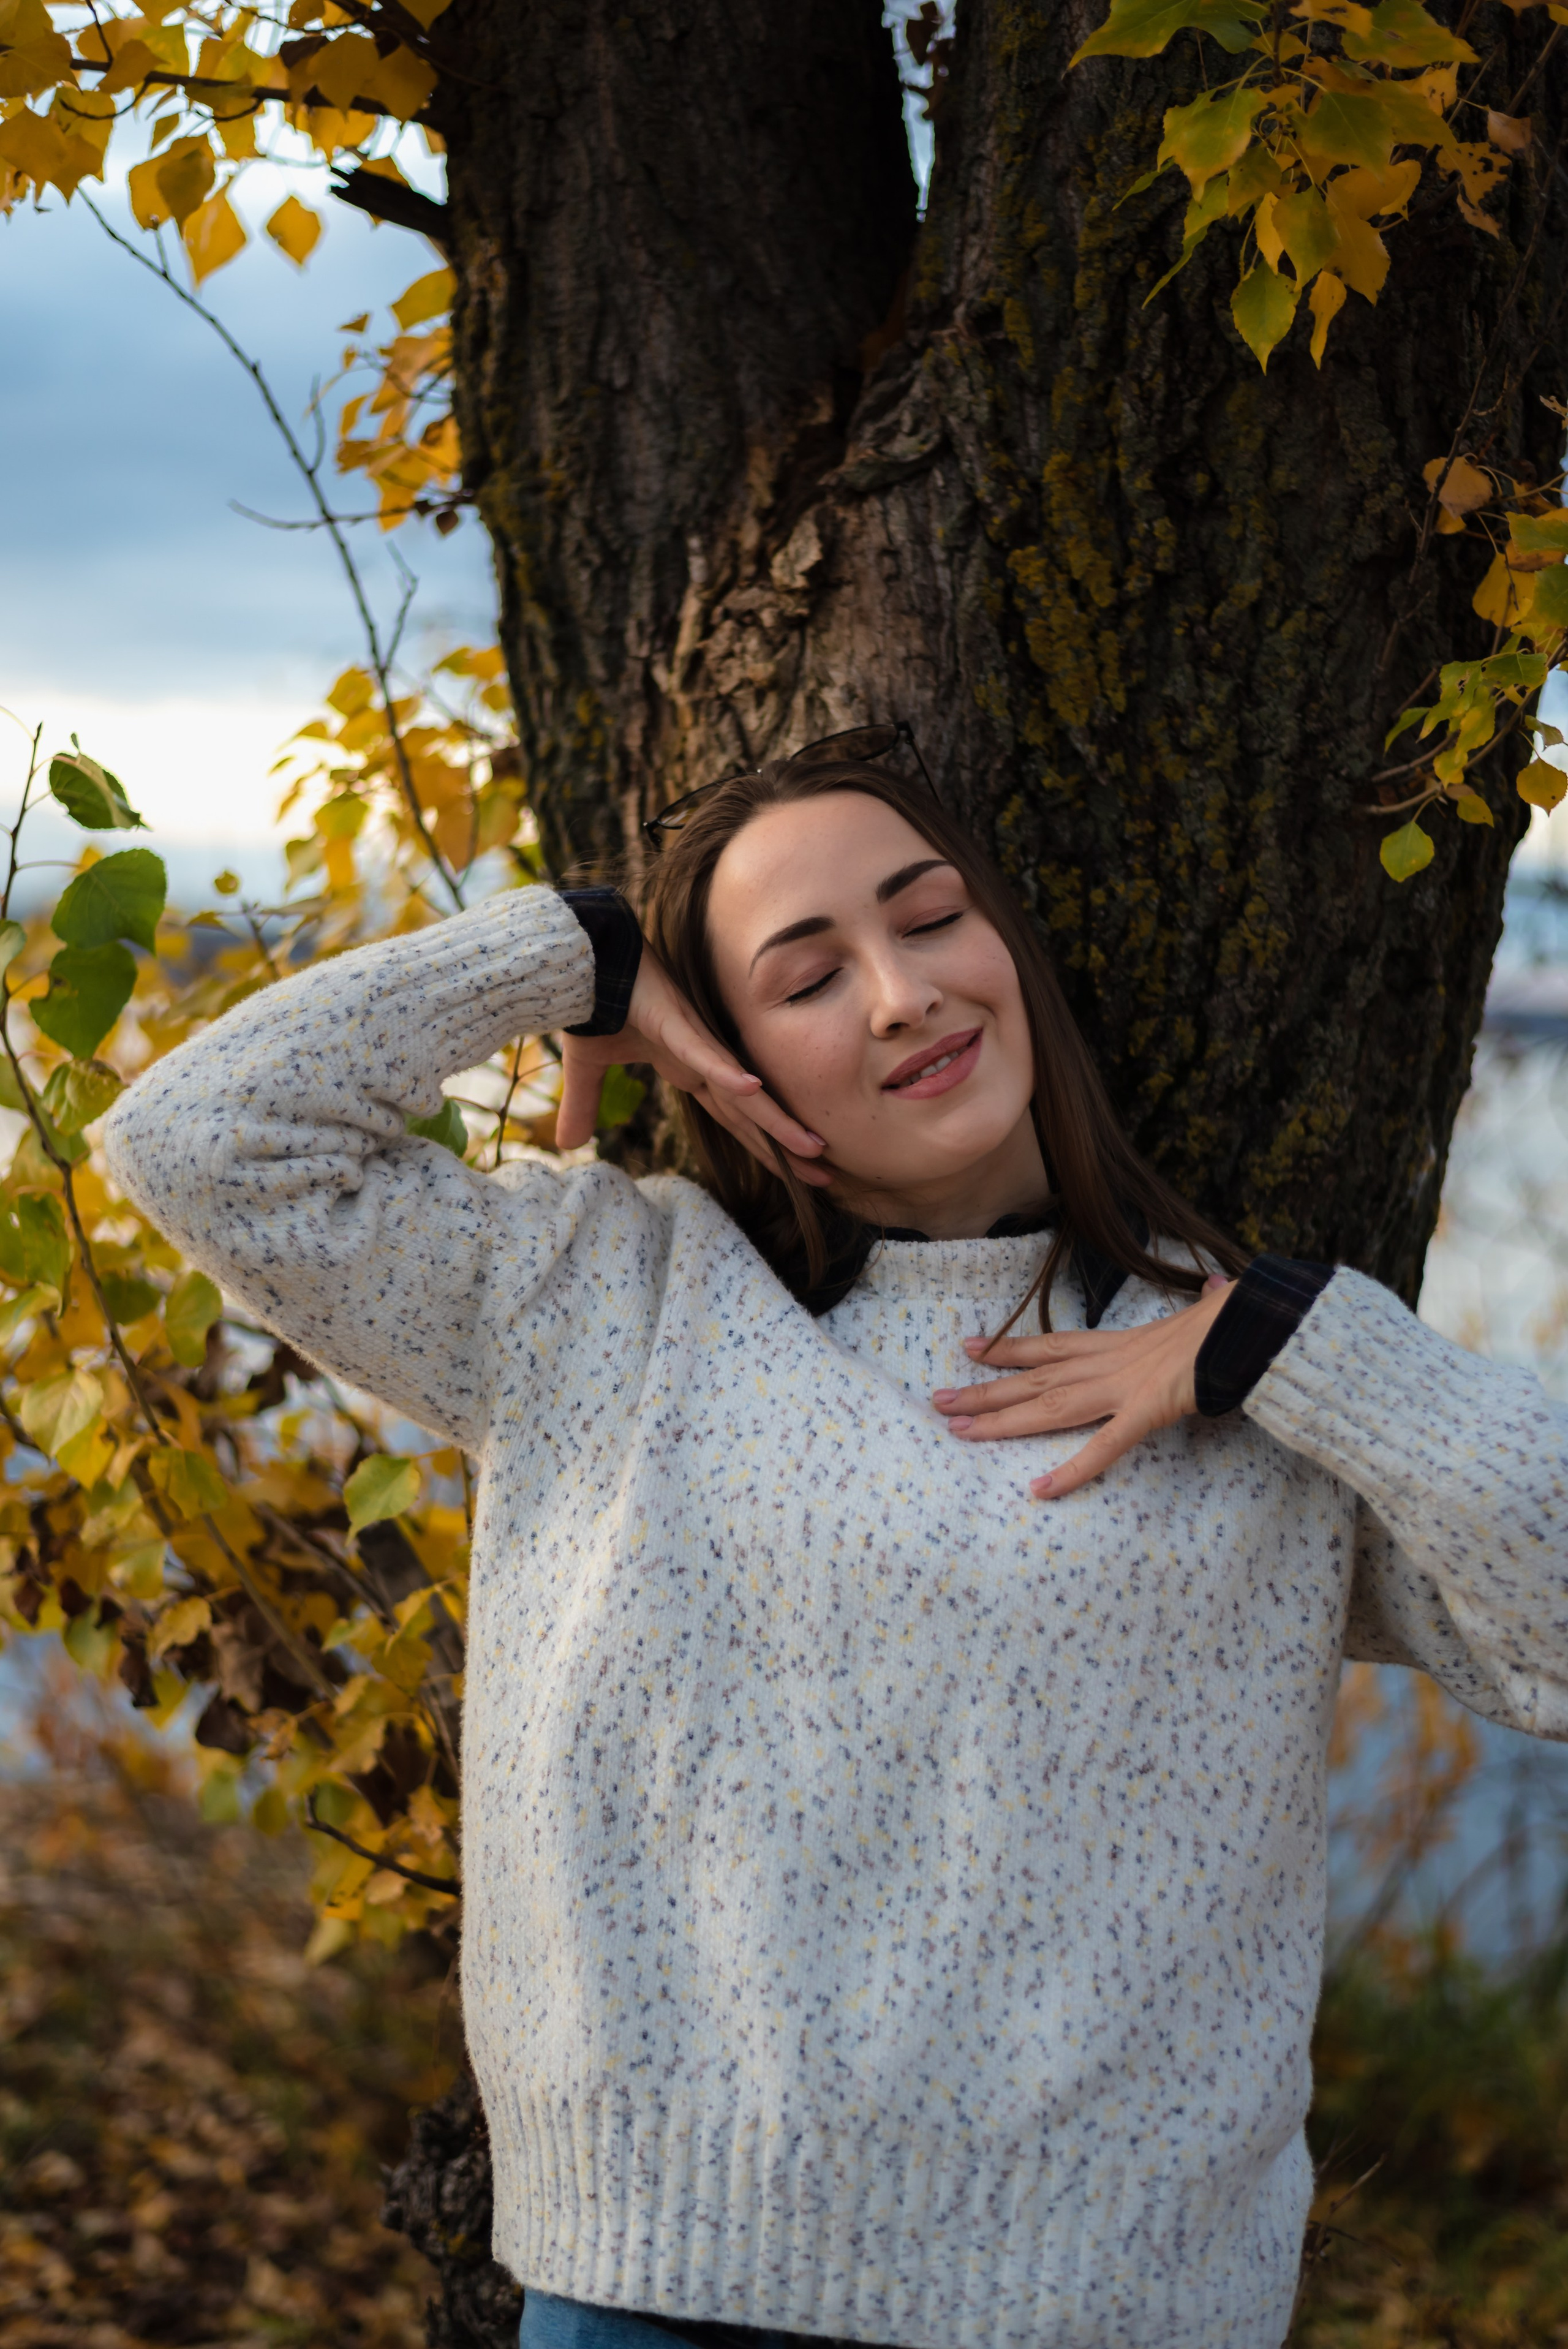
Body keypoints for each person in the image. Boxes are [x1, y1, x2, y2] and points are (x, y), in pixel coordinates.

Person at [104, 730, 1568, 2349]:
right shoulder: (595, 1295)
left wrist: (1305, 1348)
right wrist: (570, 954)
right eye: (807, 977)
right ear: (728, 1055)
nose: (900, 995)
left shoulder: (1243, 1384)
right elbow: (200, 1141)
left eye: (929, 915)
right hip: (657, 2284)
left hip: (1113, 2309)